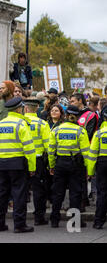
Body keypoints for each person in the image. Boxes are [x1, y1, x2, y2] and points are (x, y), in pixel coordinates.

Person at [48, 105, 91, 228]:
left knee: (57, 192)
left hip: (60, 163)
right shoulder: (80, 131)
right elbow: (86, 152)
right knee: (75, 193)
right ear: (77, 116)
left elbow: (51, 150)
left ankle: (54, 220)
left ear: (65, 115)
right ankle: (75, 221)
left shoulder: (56, 130)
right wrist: (88, 168)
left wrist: (52, 165)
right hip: (75, 165)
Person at [0, 97, 36, 233]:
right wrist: (32, 168)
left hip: (1, 164)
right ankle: (19, 225)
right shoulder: (21, 124)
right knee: (19, 194)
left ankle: (0, 223)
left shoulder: (1, 124)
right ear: (19, 109)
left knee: (2, 194)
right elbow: (29, 149)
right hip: (17, 164)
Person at [23, 97, 52, 226]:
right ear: (37, 109)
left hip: (20, 159)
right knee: (38, 190)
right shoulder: (42, 124)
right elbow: (49, 147)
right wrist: (52, 164)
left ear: (25, 108)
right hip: (38, 160)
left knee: (20, 189)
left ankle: (20, 218)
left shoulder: (19, 123)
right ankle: (38, 217)